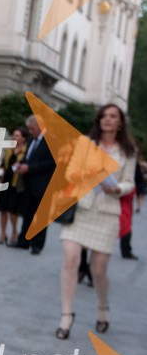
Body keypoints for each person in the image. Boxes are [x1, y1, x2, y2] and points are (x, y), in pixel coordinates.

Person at [56, 104, 137, 339]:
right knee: (71, 259)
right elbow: (69, 172)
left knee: (98, 270)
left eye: (113, 117)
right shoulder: (86, 144)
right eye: (104, 116)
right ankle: (66, 315)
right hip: (81, 209)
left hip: (107, 212)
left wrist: (116, 188)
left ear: (120, 122)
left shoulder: (128, 151)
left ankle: (102, 307)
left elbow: (129, 182)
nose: (108, 120)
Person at [13, 115, 56, 254]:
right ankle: (23, 241)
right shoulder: (32, 140)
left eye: (32, 129)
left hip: (43, 185)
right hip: (29, 184)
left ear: (39, 126)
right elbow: (28, 157)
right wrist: (21, 164)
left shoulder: (50, 141)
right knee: (27, 214)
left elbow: (51, 163)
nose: (30, 132)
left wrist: (30, 168)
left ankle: (37, 244)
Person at [0, 127, 26, 244]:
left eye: (17, 135)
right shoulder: (9, 150)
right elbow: (3, 164)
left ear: (23, 138)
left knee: (13, 211)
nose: (15, 138)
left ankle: (14, 232)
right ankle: (3, 234)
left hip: (16, 184)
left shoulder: (25, 151)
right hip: (5, 182)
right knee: (3, 209)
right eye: (14, 135)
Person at [119, 157, 144, 259]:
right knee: (125, 223)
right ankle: (126, 251)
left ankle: (126, 250)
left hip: (125, 195)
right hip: (118, 194)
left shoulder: (132, 162)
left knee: (126, 224)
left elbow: (139, 180)